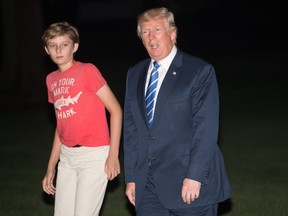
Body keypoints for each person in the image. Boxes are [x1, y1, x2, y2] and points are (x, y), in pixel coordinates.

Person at [123, 7, 232, 216]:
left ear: (173, 34)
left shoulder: (199, 71)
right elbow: (131, 131)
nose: (151, 37)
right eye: (145, 32)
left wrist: (195, 176)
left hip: (188, 183)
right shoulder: (134, 74)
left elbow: (206, 128)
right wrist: (132, 177)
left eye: (157, 30)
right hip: (147, 187)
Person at [41, 22, 122, 216]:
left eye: (64, 44)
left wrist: (113, 155)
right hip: (67, 158)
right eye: (53, 45)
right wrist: (51, 167)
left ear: (75, 46)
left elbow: (116, 110)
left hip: (94, 156)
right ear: (46, 50)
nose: (58, 49)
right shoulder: (51, 79)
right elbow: (61, 126)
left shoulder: (87, 71)